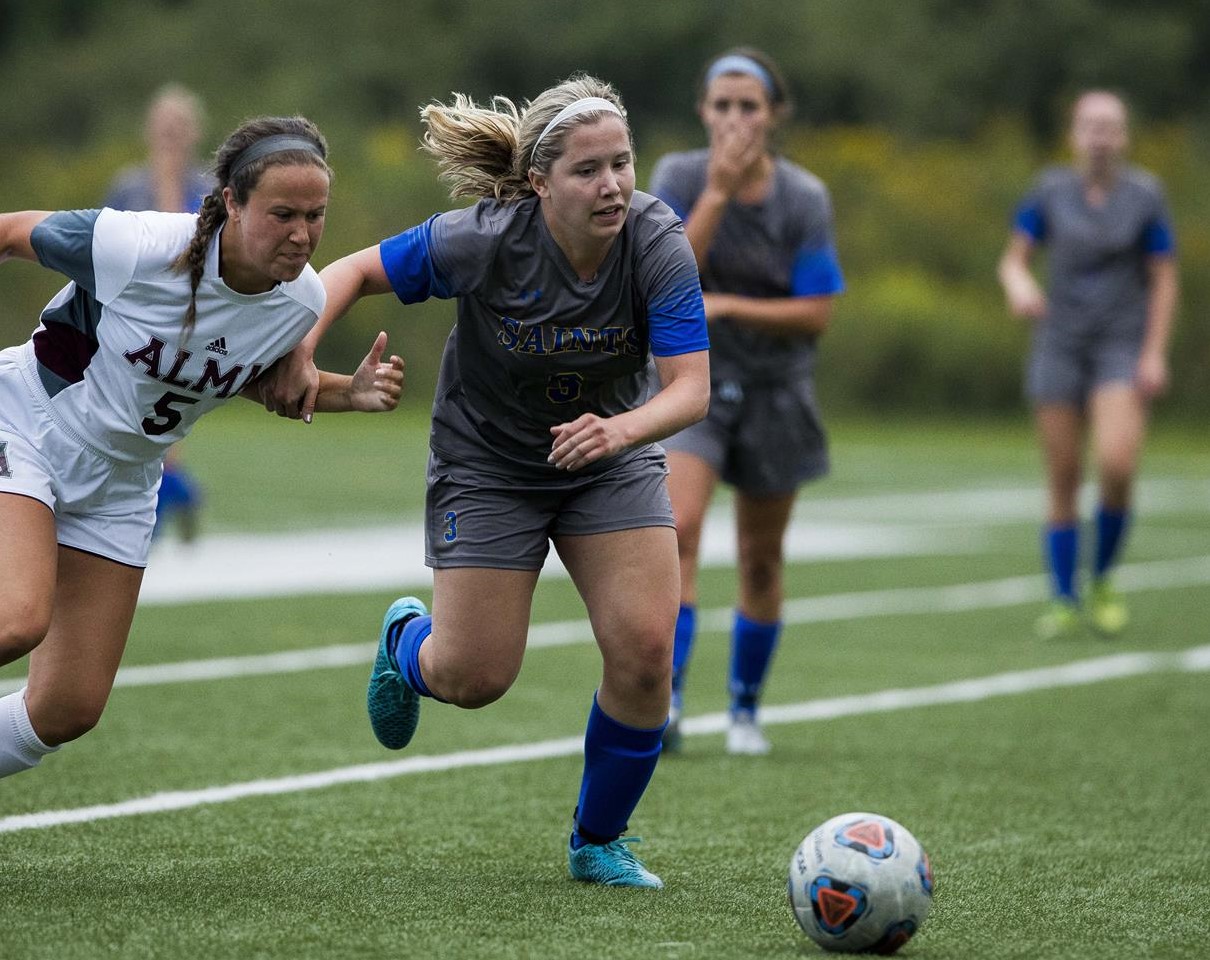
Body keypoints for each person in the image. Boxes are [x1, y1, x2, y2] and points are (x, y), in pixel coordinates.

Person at [262, 76, 710, 888]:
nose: (612, 185)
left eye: (621, 163)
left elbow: (690, 390)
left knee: (648, 653)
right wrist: (300, 348)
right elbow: (352, 271)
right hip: (489, 464)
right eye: (587, 170)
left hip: (609, 457)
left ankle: (598, 840)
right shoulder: (484, 236)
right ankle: (406, 643)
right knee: (473, 679)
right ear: (539, 183)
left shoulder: (656, 240)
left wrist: (617, 431)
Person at [0, 116, 406, 780]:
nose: (302, 234)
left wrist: (350, 393)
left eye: (315, 216)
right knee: (16, 620)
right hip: (26, 424)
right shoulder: (138, 245)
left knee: (66, 708)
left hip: (125, 483)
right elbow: (9, 232)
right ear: (232, 203)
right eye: (282, 214)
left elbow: (244, 379)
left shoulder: (301, 303)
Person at [647, 49, 844, 756]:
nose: (734, 119)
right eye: (722, 105)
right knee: (677, 531)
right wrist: (718, 193)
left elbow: (816, 313)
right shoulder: (678, 176)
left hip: (774, 390)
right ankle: (666, 700)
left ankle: (744, 710)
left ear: (773, 115)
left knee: (761, 558)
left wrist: (730, 305)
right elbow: (664, 273)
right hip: (691, 385)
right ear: (703, 111)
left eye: (748, 106)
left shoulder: (804, 198)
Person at [997, 90, 1178, 639]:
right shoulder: (1050, 190)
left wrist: (1154, 352)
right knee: (1064, 476)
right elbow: (1014, 259)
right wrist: (1020, 285)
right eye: (1090, 127)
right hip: (1060, 342)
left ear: (1124, 136)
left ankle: (1102, 578)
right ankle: (1063, 598)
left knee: (1117, 465)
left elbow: (1164, 279)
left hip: (1121, 344)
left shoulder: (1146, 195)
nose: (1100, 138)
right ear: (1074, 135)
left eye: (1110, 127)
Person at [106, 84, 215, 543]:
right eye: (163, 126)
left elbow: (185, 248)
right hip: (131, 314)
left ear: (195, 132)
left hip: (187, 316)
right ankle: (175, 489)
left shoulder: (209, 190)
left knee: (162, 410)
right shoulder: (128, 186)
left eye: (180, 126)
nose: (171, 135)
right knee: (136, 414)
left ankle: (166, 493)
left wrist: (170, 183)